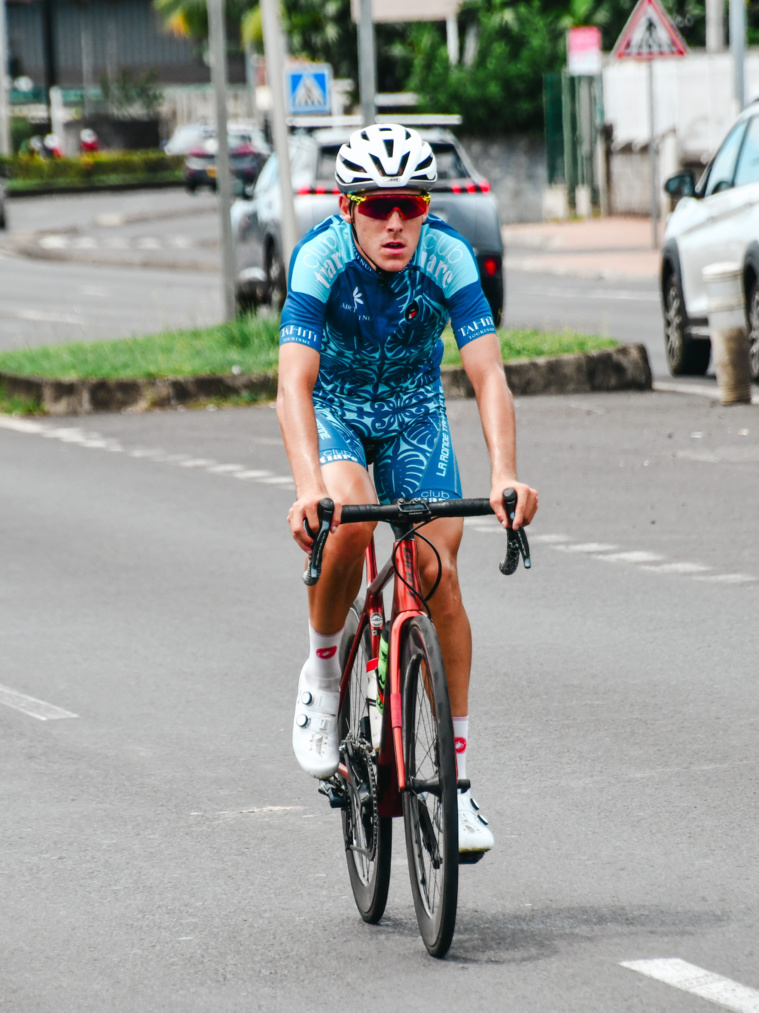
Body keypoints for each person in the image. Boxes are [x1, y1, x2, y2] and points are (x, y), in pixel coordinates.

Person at [277, 123, 538, 857]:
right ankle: (324, 674)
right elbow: (292, 385)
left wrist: (505, 475)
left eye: (411, 205)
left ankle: (453, 786)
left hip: (415, 416)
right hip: (338, 416)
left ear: (427, 207)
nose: (395, 222)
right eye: (377, 205)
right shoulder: (319, 258)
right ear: (347, 205)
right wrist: (306, 489)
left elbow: (487, 374)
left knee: (433, 574)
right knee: (351, 525)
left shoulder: (449, 256)